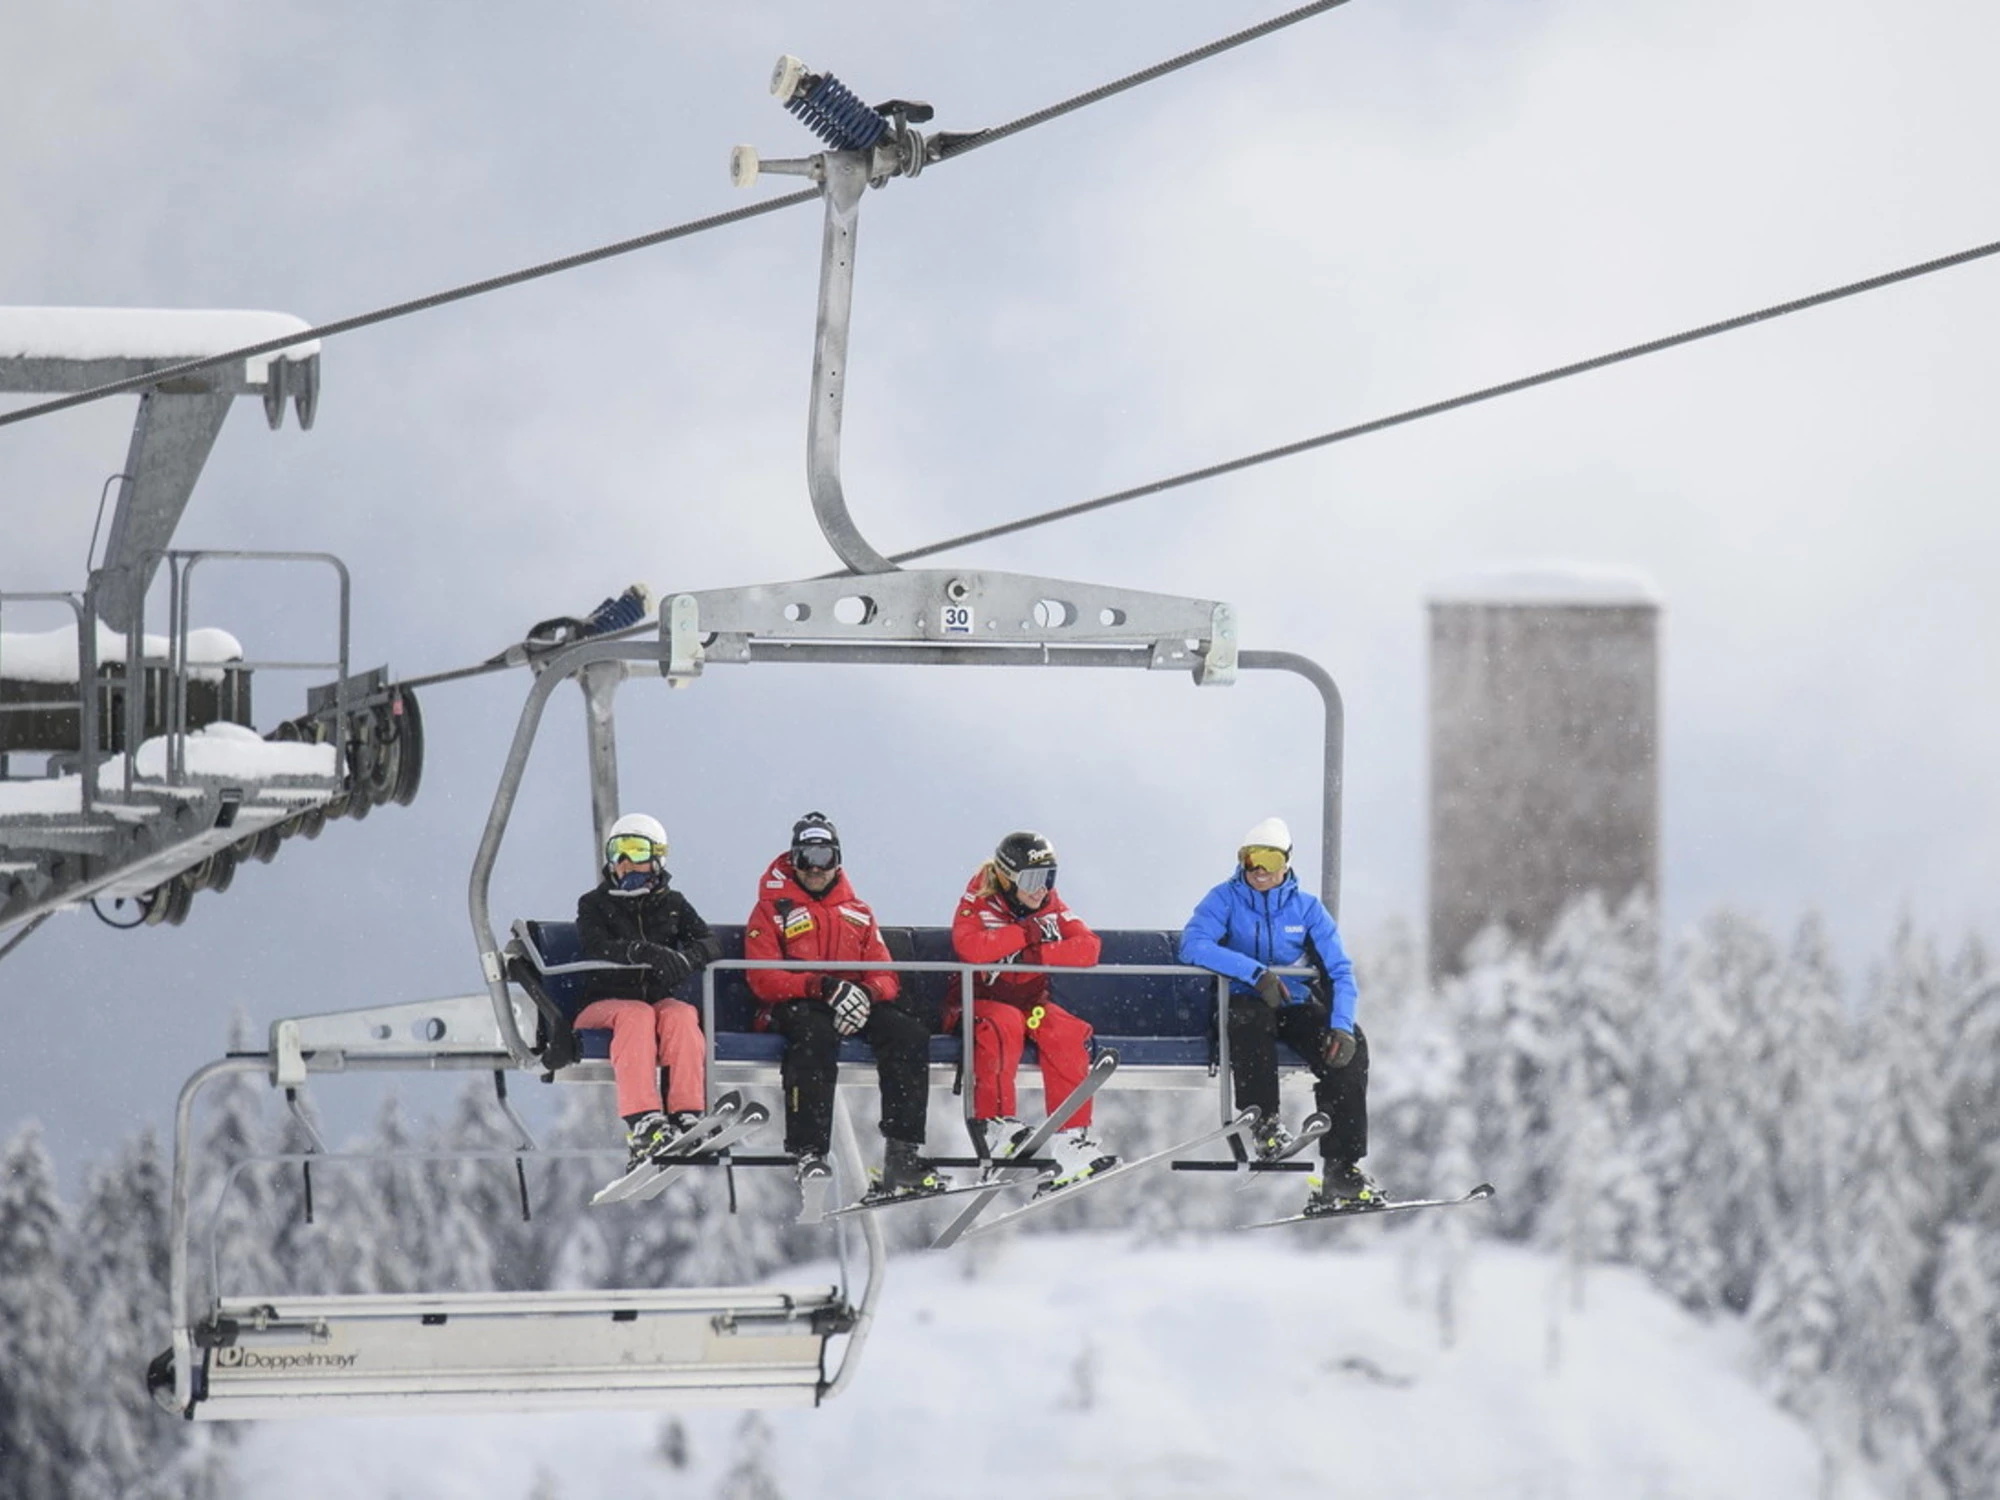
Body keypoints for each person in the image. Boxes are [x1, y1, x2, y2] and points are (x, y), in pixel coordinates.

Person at [1178, 816, 1381, 1211]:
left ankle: (1342, 1168)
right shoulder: (1225, 899)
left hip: (1292, 1005)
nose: (1259, 871)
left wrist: (1340, 1026)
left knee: (1349, 1047)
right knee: (1250, 1021)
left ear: (1286, 863)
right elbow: (1193, 944)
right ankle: (1265, 1122)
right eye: (1250, 860)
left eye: (1269, 861)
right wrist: (1254, 973)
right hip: (1240, 1001)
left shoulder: (1306, 910)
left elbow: (1339, 970)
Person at [743, 812, 943, 1197]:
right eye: (807, 858)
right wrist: (821, 986)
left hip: (853, 1000)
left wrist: (866, 995)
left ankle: (902, 1153)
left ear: (839, 861)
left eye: (826, 858)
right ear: (793, 860)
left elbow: (886, 974)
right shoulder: (771, 910)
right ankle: (809, 1151)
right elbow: (763, 978)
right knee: (813, 1036)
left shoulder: (858, 912)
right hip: (797, 1001)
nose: (816, 869)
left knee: (907, 1034)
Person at [949, 830, 1116, 1188]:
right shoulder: (980, 898)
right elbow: (971, 948)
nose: (1042, 889)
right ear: (1007, 877)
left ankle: (1070, 1137)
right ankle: (996, 1127)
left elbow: (1089, 948)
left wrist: (1036, 954)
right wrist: (1026, 933)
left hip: (1030, 1006)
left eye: (1049, 878)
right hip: (978, 1001)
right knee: (1002, 1023)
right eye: (1033, 879)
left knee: (1065, 1030)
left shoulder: (1049, 904)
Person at [574, 812, 721, 1172]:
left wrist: (686, 960)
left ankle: (686, 1113)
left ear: (657, 858)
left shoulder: (672, 904)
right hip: (600, 1008)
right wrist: (640, 951)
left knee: (681, 1015)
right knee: (636, 1015)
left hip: (654, 1003)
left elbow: (709, 943)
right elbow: (596, 946)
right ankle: (643, 1121)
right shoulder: (594, 904)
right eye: (617, 853)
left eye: (636, 852)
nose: (625, 864)